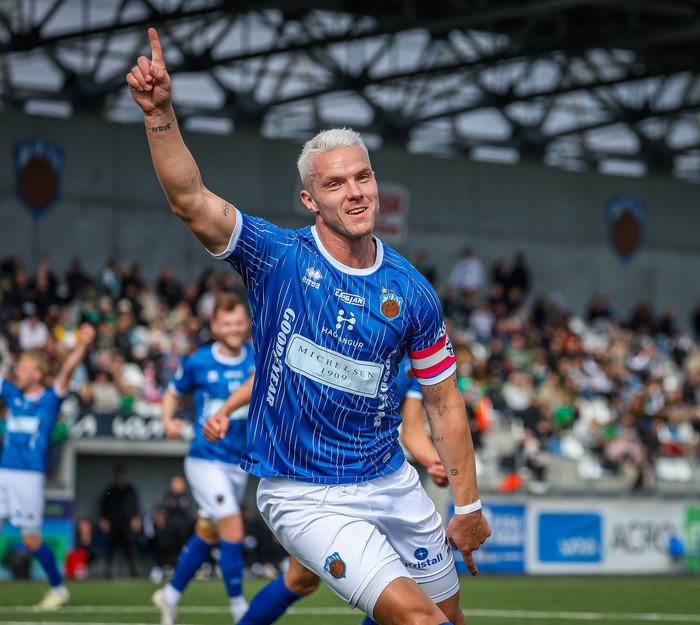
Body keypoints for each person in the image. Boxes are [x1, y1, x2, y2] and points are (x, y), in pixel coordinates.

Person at [127, 28, 490, 625]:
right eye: (335, 184)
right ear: (309, 199)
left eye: (363, 177)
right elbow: (190, 199)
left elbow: (444, 400)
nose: (355, 193)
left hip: (391, 482)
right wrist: (159, 115)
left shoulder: (413, 291)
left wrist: (468, 504)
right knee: (418, 621)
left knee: (447, 621)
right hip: (303, 492)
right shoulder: (278, 256)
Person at [203, 355, 449, 625]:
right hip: (317, 481)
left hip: (378, 481)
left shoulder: (415, 357)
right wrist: (225, 410)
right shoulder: (342, 335)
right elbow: (270, 369)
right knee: (302, 580)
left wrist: (436, 463)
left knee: (404, 587)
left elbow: (412, 429)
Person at [152, 293, 255, 625]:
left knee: (209, 533)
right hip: (205, 461)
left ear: (247, 323)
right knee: (232, 527)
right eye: (227, 323)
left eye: (238, 322)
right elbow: (172, 392)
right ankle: (241, 611)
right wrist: (167, 421)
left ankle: (169, 597)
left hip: (238, 463)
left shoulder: (258, 358)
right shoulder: (199, 361)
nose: (234, 328)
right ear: (215, 326)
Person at [0, 323, 95, 610]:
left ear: (38, 374)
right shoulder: (12, 395)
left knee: (31, 539)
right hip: (4, 472)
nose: (18, 371)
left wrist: (83, 345)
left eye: (24, 367)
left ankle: (58, 589)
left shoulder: (49, 399)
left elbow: (66, 370)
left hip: (29, 476)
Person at [99, 464, 142, 577]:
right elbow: (104, 506)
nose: (120, 476)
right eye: (118, 474)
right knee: (110, 548)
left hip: (126, 524)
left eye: (121, 474)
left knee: (129, 548)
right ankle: (107, 571)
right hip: (113, 524)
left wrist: (136, 519)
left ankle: (133, 571)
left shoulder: (130, 490)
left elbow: (135, 506)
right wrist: (104, 519)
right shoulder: (110, 491)